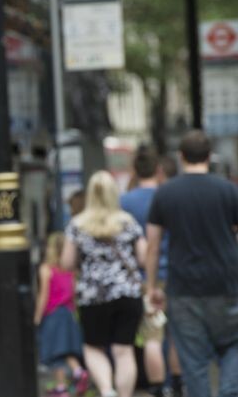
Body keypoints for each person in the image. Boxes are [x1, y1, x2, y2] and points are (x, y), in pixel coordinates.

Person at [145, 130, 238, 397]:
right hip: (226, 284)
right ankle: (231, 389)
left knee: (194, 360)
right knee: (236, 344)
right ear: (209, 157)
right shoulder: (228, 190)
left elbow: (152, 245)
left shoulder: (165, 193)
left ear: (181, 156)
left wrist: (151, 286)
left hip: (183, 288)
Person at [61, 170, 146, 397]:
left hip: (92, 296)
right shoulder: (128, 222)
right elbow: (144, 258)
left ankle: (107, 390)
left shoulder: (77, 225)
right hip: (127, 293)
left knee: (93, 347)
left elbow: (66, 262)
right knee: (124, 350)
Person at [120, 145, 182, 397]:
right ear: (158, 170)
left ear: (134, 170)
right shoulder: (170, 196)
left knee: (152, 338)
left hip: (144, 278)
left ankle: (157, 389)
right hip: (175, 273)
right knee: (176, 335)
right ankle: (178, 385)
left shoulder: (124, 201)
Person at [34, 232, 88, 397]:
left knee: (55, 352)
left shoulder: (45, 269)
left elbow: (44, 295)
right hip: (69, 313)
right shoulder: (70, 271)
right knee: (67, 350)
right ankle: (77, 372)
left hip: (53, 315)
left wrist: (37, 317)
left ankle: (61, 387)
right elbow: (74, 294)